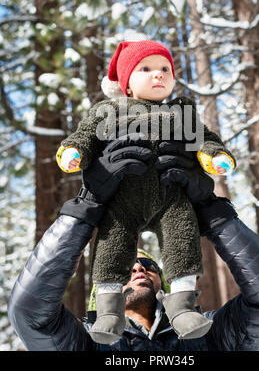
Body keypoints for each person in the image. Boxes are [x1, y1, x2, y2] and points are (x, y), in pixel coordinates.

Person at [8, 135, 259, 352]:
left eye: (147, 264)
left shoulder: (207, 336)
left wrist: (214, 212)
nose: (138, 270)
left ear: (165, 282)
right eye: (127, 268)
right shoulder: (86, 342)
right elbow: (29, 313)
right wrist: (86, 208)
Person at [55, 40, 236, 344]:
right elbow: (84, 135)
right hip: (123, 195)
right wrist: (74, 151)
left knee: (182, 239)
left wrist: (212, 155)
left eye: (166, 69)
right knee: (112, 246)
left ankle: (181, 308)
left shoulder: (181, 113)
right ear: (126, 83)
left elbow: (204, 138)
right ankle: (110, 312)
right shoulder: (109, 111)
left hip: (170, 194)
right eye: (147, 68)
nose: (159, 75)